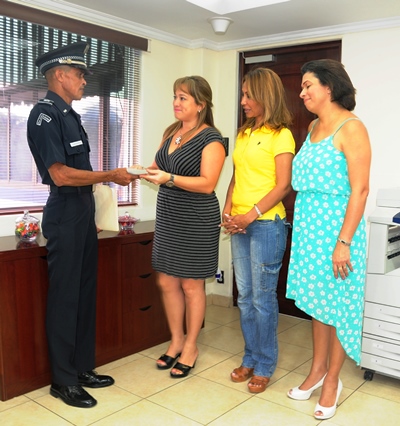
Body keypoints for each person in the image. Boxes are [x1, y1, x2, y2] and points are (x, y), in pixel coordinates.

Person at [27, 42, 136, 408]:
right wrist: (110, 175)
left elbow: (80, 173)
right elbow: (60, 174)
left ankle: (81, 368)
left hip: (83, 212)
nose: (85, 80)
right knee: (65, 298)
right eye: (79, 74)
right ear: (60, 75)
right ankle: (63, 381)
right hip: (64, 213)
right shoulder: (44, 116)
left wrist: (98, 201)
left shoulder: (70, 115)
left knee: (85, 293)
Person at [286, 59, 371, 420]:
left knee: (336, 307)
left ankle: (333, 380)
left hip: (339, 233)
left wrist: (344, 242)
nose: (302, 92)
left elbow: (360, 190)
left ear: (329, 87)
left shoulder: (352, 128)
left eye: (308, 85)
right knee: (318, 305)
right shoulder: (312, 127)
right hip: (309, 232)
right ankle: (317, 370)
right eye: (302, 86)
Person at [141, 76, 225, 378]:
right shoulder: (171, 132)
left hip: (196, 219)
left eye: (183, 98)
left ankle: (191, 345)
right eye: (175, 97)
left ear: (200, 104)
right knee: (166, 282)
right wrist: (139, 172)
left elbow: (207, 184)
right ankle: (176, 340)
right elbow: (157, 167)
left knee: (191, 285)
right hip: (169, 215)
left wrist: (170, 178)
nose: (176, 103)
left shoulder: (212, 138)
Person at [221, 68, 295, 393]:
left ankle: (265, 364)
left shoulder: (282, 135)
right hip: (240, 223)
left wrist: (249, 215)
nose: (243, 101)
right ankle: (250, 357)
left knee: (263, 299)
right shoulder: (244, 132)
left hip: (266, 225)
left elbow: (283, 186)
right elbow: (237, 176)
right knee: (246, 297)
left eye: (249, 95)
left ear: (266, 95)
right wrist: (227, 209)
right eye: (243, 94)